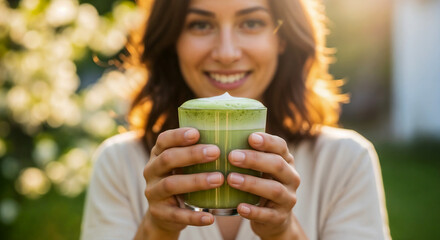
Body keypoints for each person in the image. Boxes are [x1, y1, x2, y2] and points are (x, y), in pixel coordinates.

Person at [80, 0, 391, 239]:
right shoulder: (119, 163)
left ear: (282, 39)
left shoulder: (346, 161)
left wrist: (283, 233)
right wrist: (157, 230)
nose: (226, 53)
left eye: (252, 23)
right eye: (200, 25)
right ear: (173, 40)